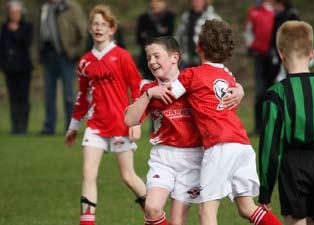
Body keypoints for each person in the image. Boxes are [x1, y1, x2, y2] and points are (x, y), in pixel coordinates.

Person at [170, 19, 283, 225]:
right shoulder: (228, 75)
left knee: (207, 210)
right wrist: (239, 88)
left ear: (199, 47)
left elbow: (168, 94)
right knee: (247, 208)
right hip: (242, 144)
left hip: (219, 145)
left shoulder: (191, 75)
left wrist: (147, 89)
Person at [124, 36, 244, 225]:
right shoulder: (149, 88)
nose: (152, 61)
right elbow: (129, 120)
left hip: (193, 159)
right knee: (152, 208)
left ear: (174, 57)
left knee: (177, 221)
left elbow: (220, 78)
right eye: (148, 58)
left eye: (156, 56)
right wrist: (148, 95)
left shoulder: (194, 79)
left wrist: (239, 88)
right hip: (163, 157)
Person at [64, 5, 146, 225]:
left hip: (120, 125)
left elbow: (137, 88)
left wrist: (136, 120)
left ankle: (156, 216)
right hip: (96, 126)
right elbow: (82, 97)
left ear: (112, 29)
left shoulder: (122, 57)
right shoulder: (85, 62)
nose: (98, 27)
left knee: (128, 177)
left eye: (103, 24)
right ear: (90, 29)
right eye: (94, 23)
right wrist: (73, 127)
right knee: (88, 174)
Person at [258, 20, 314, 225]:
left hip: (293, 165)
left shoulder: (276, 94)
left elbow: (270, 146)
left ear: (281, 54)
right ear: (312, 53)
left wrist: (265, 191)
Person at [38, 0, 88, 135]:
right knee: (49, 94)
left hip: (66, 56)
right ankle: (49, 127)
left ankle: (70, 127)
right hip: (48, 54)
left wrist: (76, 53)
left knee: (69, 94)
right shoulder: (44, 7)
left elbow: (83, 32)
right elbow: (40, 32)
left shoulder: (71, 7)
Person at [0, 0, 33, 135]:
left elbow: (27, 43)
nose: (15, 15)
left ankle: (23, 127)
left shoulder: (27, 27)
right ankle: (15, 127)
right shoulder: (3, 27)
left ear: (21, 13)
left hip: (24, 68)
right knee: (13, 98)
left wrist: (16, 31)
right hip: (9, 68)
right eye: (12, 12)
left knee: (23, 98)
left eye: (17, 12)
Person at [244, 0, 275, 135]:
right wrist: (251, 46)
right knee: (260, 92)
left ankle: (274, 126)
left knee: (274, 91)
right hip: (260, 56)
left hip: (275, 56)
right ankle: (258, 127)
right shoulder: (254, 11)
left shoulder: (276, 10)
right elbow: (249, 31)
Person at [136, 0, 175, 80]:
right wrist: (160, 32)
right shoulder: (143, 18)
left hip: (164, 58)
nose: (155, 3)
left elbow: (168, 37)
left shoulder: (169, 17)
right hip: (147, 59)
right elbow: (139, 39)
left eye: (159, 1)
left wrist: (148, 34)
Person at [175, 0, 221, 68]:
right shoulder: (186, 17)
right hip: (186, 59)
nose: (196, 3)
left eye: (199, 1)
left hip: (205, 59)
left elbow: (219, 39)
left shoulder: (213, 18)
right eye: (193, 1)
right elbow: (179, 36)